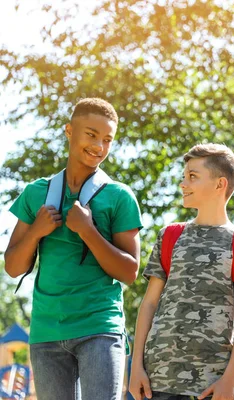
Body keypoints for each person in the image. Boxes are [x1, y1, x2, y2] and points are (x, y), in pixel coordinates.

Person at [4, 98, 143, 400]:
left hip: (99, 327)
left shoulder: (119, 196)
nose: (99, 146)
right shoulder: (36, 193)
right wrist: (36, 232)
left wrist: (88, 231)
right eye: (91, 135)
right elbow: (13, 266)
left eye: (107, 139)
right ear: (69, 131)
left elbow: (130, 271)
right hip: (46, 330)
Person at [129, 143, 234, 400]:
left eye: (192, 177)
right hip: (158, 380)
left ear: (220, 184)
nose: (183, 184)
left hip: (214, 383)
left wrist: (230, 380)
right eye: (184, 176)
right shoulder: (170, 236)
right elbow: (150, 304)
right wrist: (135, 368)